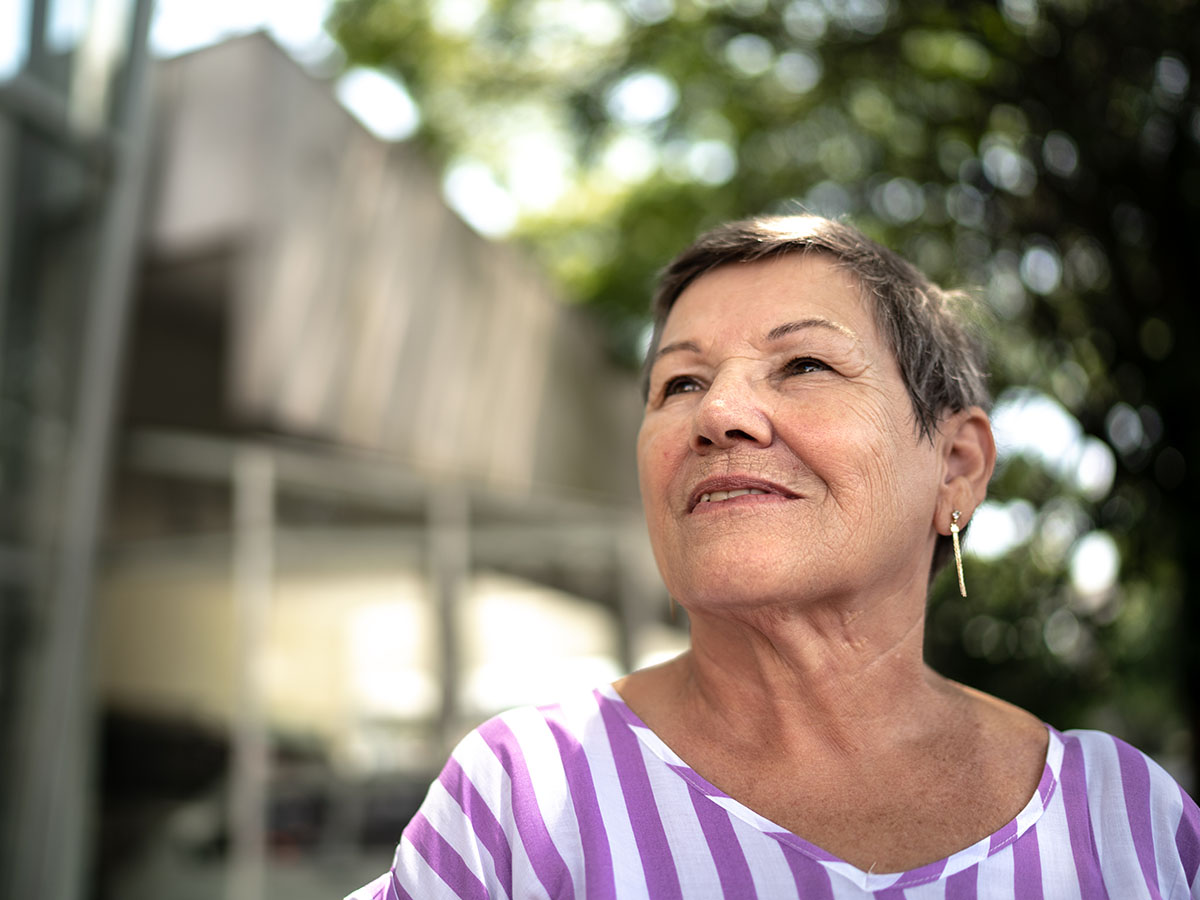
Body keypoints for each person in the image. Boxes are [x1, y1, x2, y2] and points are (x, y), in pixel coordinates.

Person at [349, 215, 1200, 899]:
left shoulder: (1129, 820)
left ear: (956, 466)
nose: (719, 413)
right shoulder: (521, 802)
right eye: (680, 383)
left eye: (803, 364)